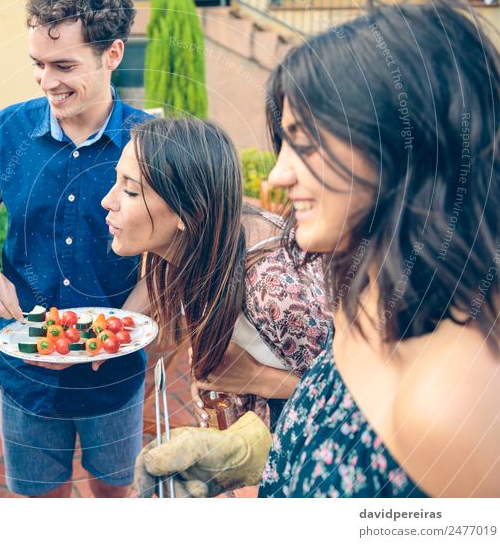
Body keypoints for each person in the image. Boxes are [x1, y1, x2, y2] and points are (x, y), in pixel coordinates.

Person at [135, 0, 500, 498]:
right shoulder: (362, 299)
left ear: (407, 152)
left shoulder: (449, 407)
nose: (277, 176)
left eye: (307, 144)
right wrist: (246, 454)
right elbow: (344, 440)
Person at [0, 0, 151, 498]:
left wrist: (126, 322)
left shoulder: (148, 143)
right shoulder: (9, 129)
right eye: (39, 65)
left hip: (114, 370)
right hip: (26, 371)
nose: (47, 81)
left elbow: (168, 253)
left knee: (115, 492)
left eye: (64, 65)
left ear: (112, 54)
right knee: (40, 503)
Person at [100, 116, 332, 497]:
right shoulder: (204, 239)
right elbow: (158, 282)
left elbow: (356, 399)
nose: (107, 200)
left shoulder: (274, 290)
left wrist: (254, 376)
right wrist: (111, 333)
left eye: (129, 190)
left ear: (185, 214)